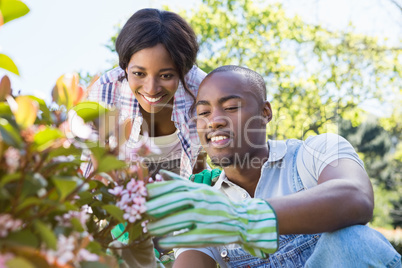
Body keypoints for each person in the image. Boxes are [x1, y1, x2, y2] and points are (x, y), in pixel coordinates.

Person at [145, 65, 402, 267]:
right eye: (203, 113)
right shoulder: (206, 202)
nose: (214, 121)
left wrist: (236, 217)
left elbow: (355, 197)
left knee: (351, 241)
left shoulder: (315, 152)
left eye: (231, 107)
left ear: (265, 112)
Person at [81, 8, 207, 267]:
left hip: (178, 194)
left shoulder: (200, 90)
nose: (151, 89)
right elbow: (88, 169)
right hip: (124, 199)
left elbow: (206, 157)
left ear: (183, 71)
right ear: (125, 66)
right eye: (139, 74)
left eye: (166, 75)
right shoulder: (105, 93)